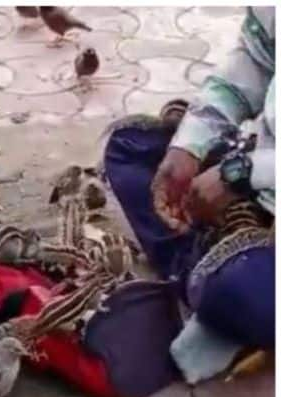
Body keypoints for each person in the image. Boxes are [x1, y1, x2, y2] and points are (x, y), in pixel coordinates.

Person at [104, 7, 274, 351]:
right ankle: (221, 251)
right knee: (128, 147)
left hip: (258, 171)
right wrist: (191, 144)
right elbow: (255, 62)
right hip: (259, 167)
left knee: (253, 300)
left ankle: (208, 267)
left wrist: (242, 174)